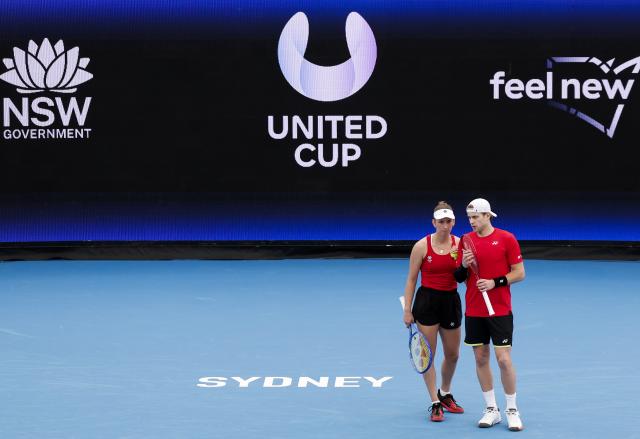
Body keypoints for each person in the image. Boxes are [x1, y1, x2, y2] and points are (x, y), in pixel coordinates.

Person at [454, 198, 525, 431]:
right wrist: (463, 265)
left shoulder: (507, 239)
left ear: (487, 216)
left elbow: (519, 273)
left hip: (500, 309)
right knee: (481, 358)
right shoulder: (465, 240)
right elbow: (459, 277)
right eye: (470, 218)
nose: (472, 222)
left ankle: (512, 410)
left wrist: (496, 283)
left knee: (504, 360)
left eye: (476, 217)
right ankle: (491, 409)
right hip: (475, 309)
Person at [403, 201, 465, 422]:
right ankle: (434, 402)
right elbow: (411, 280)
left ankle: (445, 393)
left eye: (449, 221)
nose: (445, 226)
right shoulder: (421, 246)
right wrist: (407, 310)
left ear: (454, 222)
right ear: (434, 222)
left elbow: (464, 276)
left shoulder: (460, 245)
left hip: (451, 302)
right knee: (427, 356)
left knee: (453, 354)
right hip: (427, 301)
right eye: (441, 222)